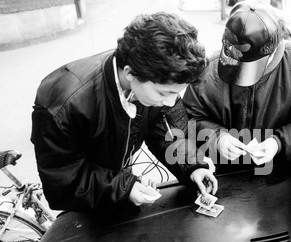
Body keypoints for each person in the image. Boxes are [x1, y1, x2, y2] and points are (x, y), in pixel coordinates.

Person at [31, 12, 218, 215]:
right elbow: (62, 183)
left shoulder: (152, 81)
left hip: (115, 187)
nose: (171, 102)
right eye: (165, 93)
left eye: (176, 93)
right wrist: (123, 187)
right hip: (83, 212)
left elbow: (168, 131)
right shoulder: (63, 105)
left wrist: (193, 167)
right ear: (129, 73)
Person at [183, 0, 291, 174]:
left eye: (250, 63)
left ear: (274, 48)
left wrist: (279, 143)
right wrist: (216, 138)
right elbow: (188, 118)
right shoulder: (209, 71)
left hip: (286, 175)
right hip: (225, 175)